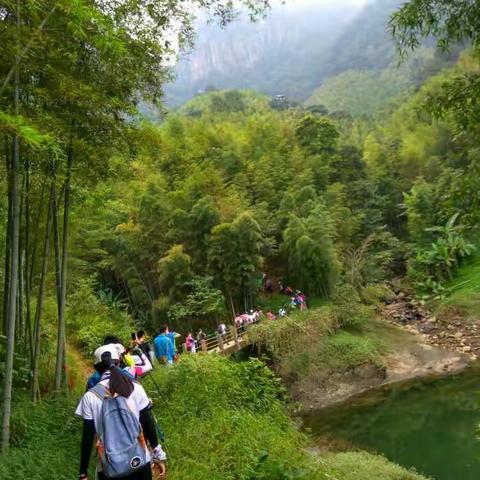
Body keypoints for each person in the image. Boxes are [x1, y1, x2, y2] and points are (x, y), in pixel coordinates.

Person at [76, 344, 167, 480]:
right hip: (140, 460)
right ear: (118, 362)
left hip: (109, 468)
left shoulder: (90, 397)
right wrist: (157, 453)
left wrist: (83, 472)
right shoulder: (134, 387)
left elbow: (88, 438)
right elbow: (147, 422)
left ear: (96, 369)